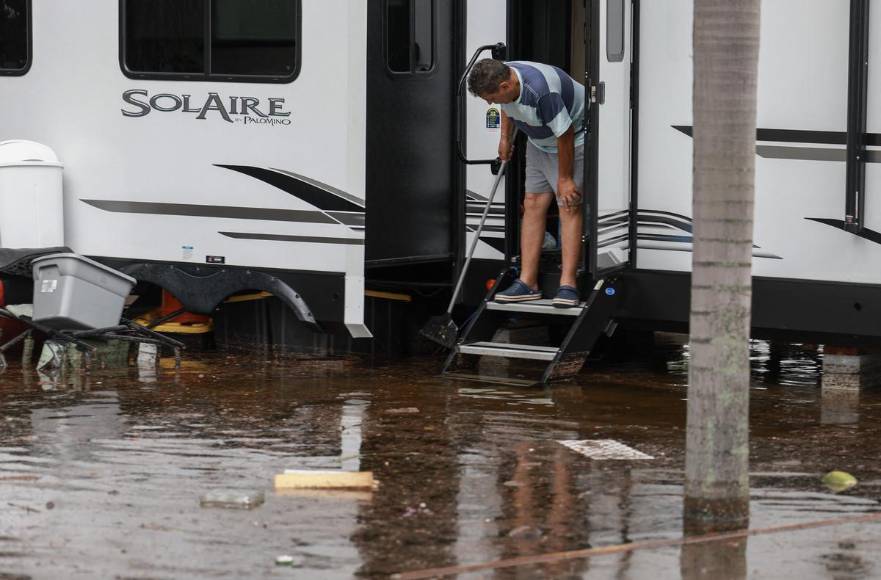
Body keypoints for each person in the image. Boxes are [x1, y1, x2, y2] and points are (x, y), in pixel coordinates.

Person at [467, 59, 586, 308]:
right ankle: (528, 282)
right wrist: (504, 138)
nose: (489, 103)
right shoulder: (504, 77)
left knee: (568, 203)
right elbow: (507, 106)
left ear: (505, 85)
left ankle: (568, 284)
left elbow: (565, 133)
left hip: (572, 140)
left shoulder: (542, 92)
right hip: (538, 141)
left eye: (490, 97)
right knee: (532, 203)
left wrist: (564, 179)